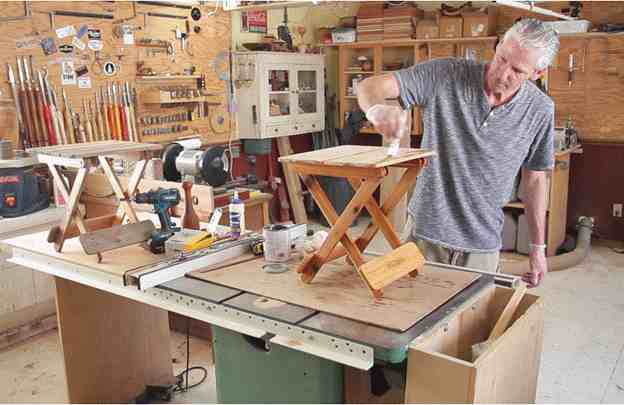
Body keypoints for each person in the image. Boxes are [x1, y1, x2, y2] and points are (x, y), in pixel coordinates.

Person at [356, 18, 560, 287]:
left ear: (537, 72)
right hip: (424, 236)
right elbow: (369, 87)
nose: (502, 73)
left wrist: (537, 248)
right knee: (406, 315)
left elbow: (535, 180)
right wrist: (376, 110)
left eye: (517, 70)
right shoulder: (445, 75)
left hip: (483, 246)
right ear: (498, 46)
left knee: (469, 324)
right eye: (501, 58)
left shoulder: (540, 110)